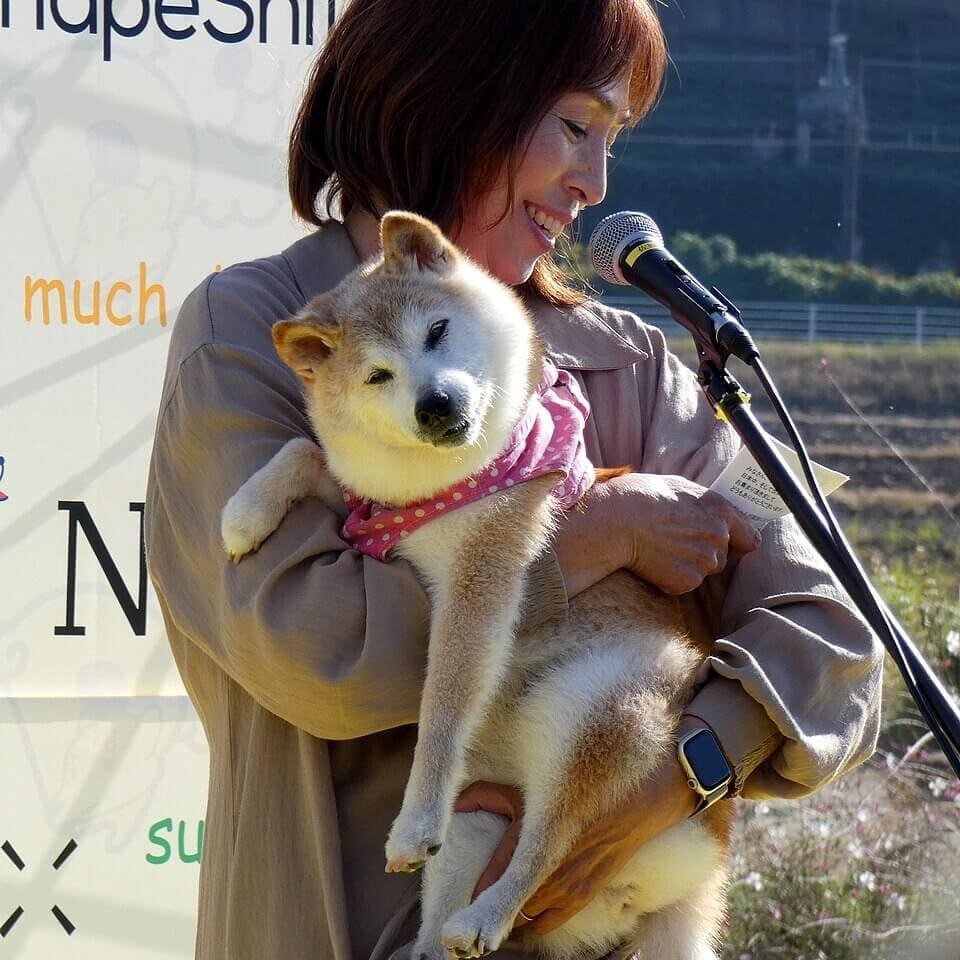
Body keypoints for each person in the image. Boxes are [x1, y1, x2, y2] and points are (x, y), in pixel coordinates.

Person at [144, 2, 884, 958]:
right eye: (575, 125)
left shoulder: (631, 365)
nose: (595, 182)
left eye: (613, 137)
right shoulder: (255, 335)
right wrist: (590, 540)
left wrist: (678, 772)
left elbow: (832, 635)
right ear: (452, 92)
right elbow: (312, 652)